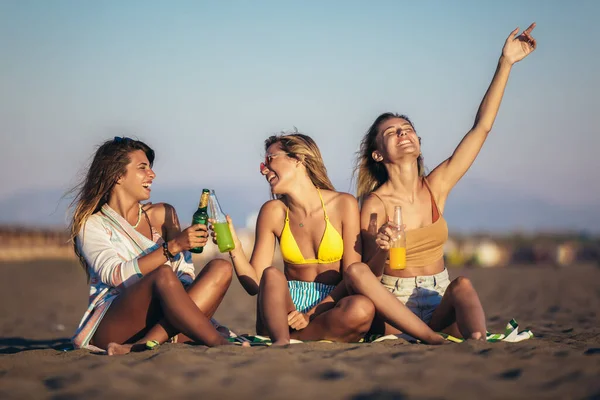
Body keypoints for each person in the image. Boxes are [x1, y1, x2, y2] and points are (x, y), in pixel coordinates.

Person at [344, 24, 537, 341]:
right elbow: (369, 274)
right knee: (362, 274)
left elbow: (481, 129)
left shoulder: (436, 187)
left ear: (418, 143)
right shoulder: (374, 204)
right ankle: (433, 340)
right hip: (395, 305)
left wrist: (506, 63)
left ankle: (478, 343)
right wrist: (382, 248)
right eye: (393, 132)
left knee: (462, 286)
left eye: (408, 129)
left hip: (438, 297)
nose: (403, 133)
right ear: (377, 155)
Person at [69, 137, 235, 354]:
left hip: (164, 318)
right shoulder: (92, 224)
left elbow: (185, 274)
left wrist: (185, 302)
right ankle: (219, 343)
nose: (152, 174)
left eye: (150, 167)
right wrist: (172, 247)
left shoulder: (162, 214)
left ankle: (150, 340)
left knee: (221, 267)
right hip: (116, 324)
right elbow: (115, 275)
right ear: (118, 175)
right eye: (142, 167)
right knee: (163, 275)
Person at [212, 132, 376, 345]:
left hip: (329, 307)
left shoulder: (344, 204)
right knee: (271, 274)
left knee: (362, 308)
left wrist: (311, 315)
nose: (263, 170)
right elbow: (255, 284)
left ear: (299, 159)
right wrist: (234, 247)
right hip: (284, 309)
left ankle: (290, 337)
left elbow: (351, 275)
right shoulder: (273, 211)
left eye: (270, 159)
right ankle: (285, 338)